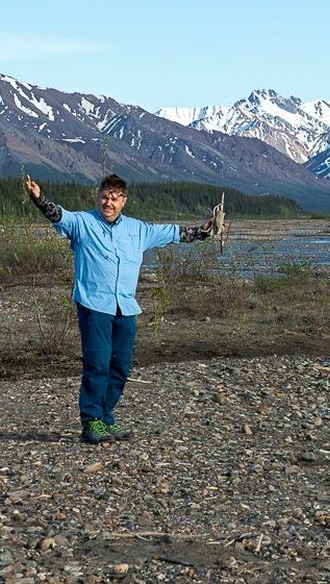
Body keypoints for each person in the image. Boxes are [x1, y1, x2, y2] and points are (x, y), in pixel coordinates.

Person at [24, 173, 213, 444]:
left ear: (123, 201)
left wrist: (204, 232)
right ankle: (91, 422)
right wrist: (39, 198)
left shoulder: (139, 229)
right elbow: (57, 216)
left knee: (121, 367)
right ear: (98, 196)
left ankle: (105, 417)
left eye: (114, 197)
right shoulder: (83, 223)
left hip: (125, 306)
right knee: (97, 364)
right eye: (104, 196)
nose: (108, 202)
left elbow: (175, 233)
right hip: (94, 305)